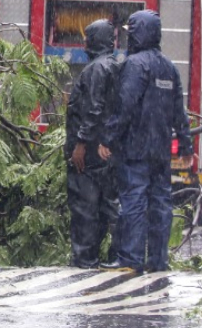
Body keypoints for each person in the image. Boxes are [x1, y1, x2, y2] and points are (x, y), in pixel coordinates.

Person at [98, 9, 192, 274]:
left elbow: (124, 106)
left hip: (135, 150)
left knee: (134, 203)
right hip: (160, 152)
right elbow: (179, 112)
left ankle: (131, 259)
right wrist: (186, 146)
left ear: (139, 34)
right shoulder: (169, 68)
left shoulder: (135, 65)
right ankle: (158, 260)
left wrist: (108, 138)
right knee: (161, 205)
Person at [66, 19, 122, 268]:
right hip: (104, 153)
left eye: (88, 37)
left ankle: (85, 260)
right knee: (106, 207)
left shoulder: (96, 69)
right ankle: (114, 254)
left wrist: (80, 144)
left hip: (89, 157)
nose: (84, 42)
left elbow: (93, 108)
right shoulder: (113, 66)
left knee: (85, 210)